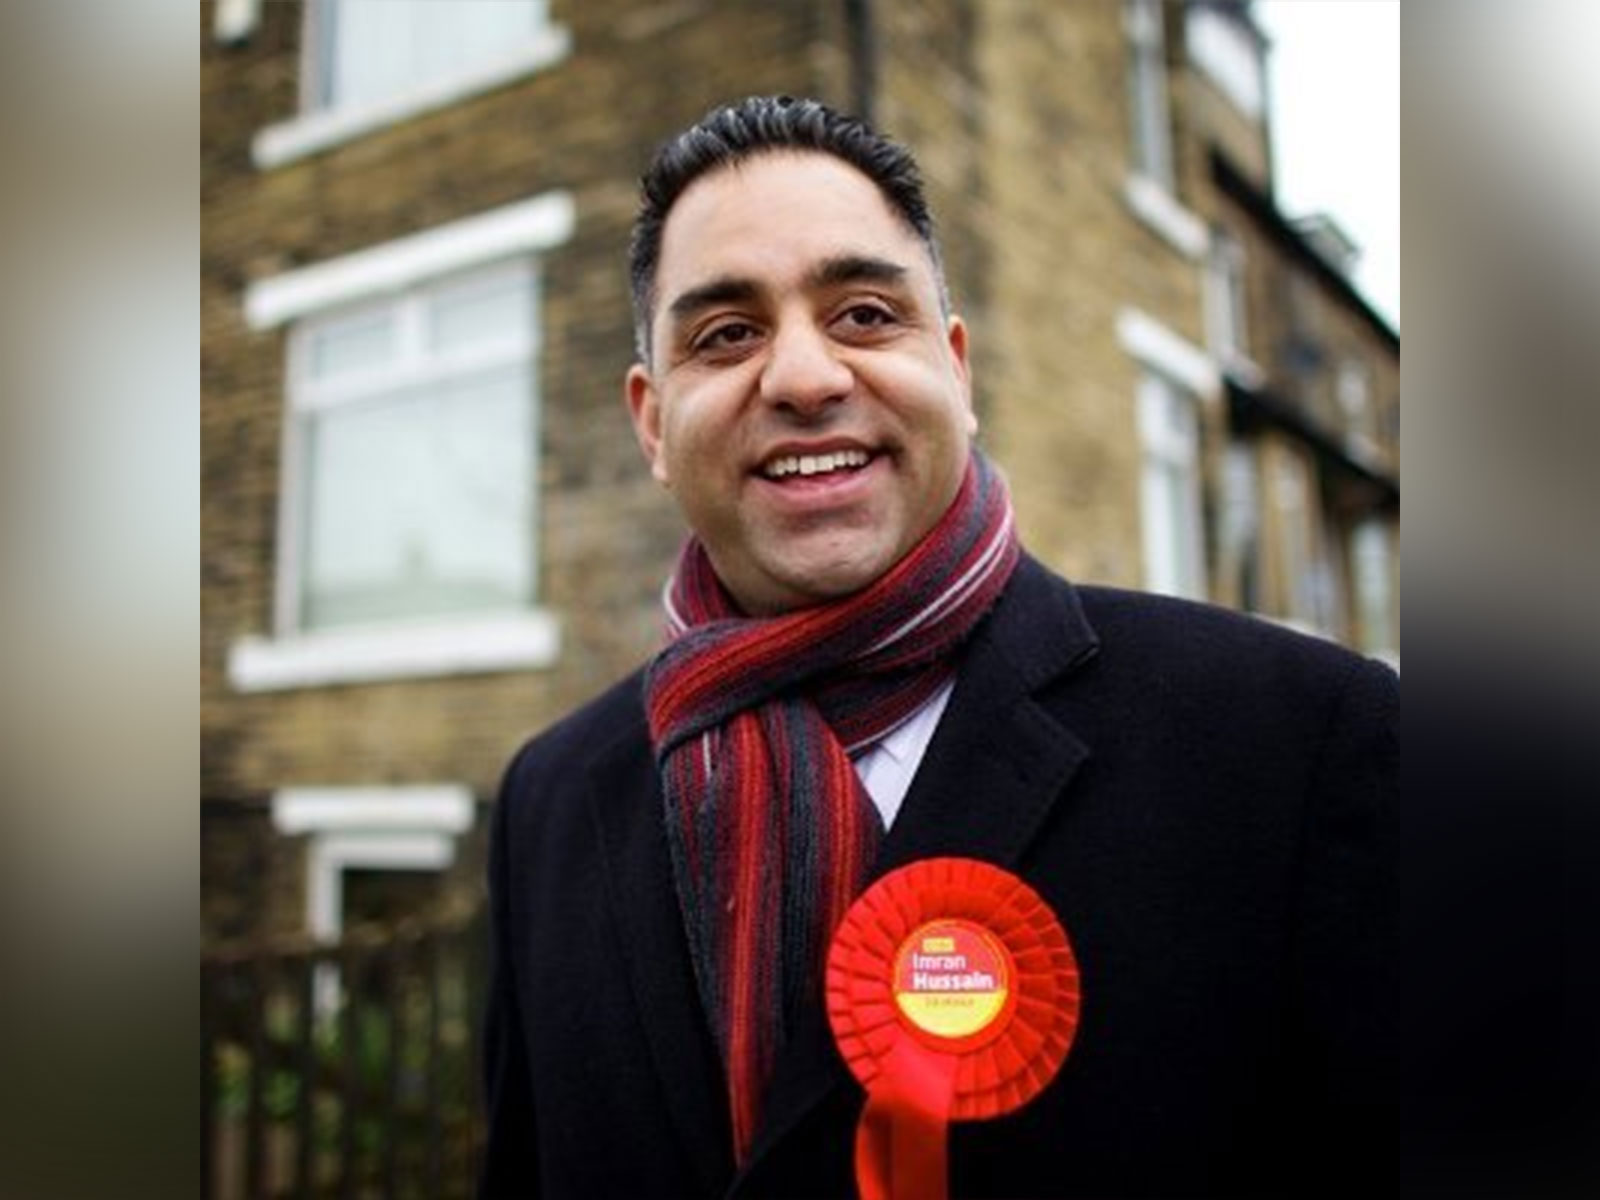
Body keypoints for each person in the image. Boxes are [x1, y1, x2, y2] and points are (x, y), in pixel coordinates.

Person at [479, 95, 1396, 1199]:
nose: (805, 378)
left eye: (865, 313)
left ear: (956, 372)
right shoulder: (550, 798)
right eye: (726, 335)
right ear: (650, 422)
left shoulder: (1302, 742)